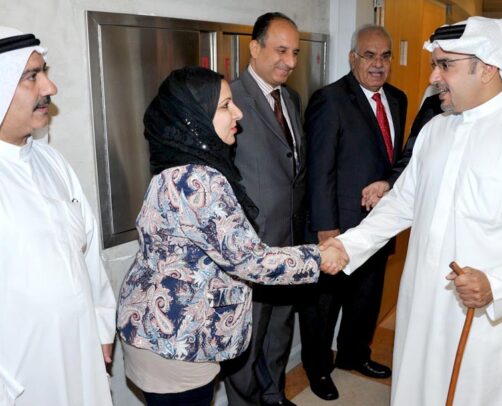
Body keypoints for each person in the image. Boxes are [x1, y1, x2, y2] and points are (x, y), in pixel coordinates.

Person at [115, 66, 345, 406]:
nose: (238, 113)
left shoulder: (173, 168)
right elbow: (249, 260)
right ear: (194, 117)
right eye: (225, 106)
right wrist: (319, 256)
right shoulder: (198, 181)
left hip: (156, 331)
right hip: (176, 340)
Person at [326, 16, 502, 406]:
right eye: (435, 64)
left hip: (485, 321)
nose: (433, 78)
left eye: (445, 65)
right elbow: (402, 203)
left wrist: (498, 284)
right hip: (421, 306)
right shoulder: (435, 130)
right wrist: (347, 246)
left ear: (487, 67)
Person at [0, 26, 116, 406]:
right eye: (32, 76)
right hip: (20, 378)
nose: (50, 87)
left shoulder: (51, 161)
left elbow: (87, 252)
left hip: (82, 355)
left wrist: (101, 323)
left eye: (44, 72)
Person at [297, 24, 407, 400]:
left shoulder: (397, 98)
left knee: (366, 298)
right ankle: (317, 368)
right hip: (338, 228)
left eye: (385, 56)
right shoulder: (330, 100)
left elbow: (394, 161)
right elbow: (319, 169)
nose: (378, 64)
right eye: (369, 55)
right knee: (323, 306)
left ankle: (354, 355)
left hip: (378, 225)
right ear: (352, 58)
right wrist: (326, 230)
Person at [222, 12, 306, 406]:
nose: (289, 61)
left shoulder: (290, 99)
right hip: (250, 246)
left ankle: (274, 395)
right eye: (281, 50)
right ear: (254, 48)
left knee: (279, 329)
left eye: (295, 53)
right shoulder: (230, 99)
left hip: (289, 242)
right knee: (248, 338)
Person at [361, 91, 443, 210]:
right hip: (431, 203)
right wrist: (388, 183)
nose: (433, 81)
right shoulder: (435, 105)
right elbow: (412, 154)